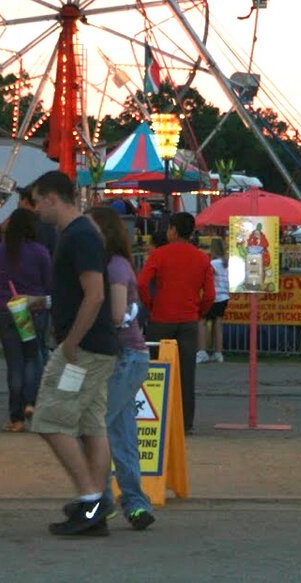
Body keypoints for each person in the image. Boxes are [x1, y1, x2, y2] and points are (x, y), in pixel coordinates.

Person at [27, 170, 119, 538]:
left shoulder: (78, 235)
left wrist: (70, 343)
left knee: (49, 418)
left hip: (83, 349)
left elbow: (94, 293)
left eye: (36, 201)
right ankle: (96, 501)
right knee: (91, 424)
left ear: (52, 198)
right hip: (97, 346)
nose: (34, 210)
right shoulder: (81, 234)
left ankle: (89, 496)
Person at [88, 206, 155, 531]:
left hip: (124, 356)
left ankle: (100, 499)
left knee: (96, 426)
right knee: (123, 434)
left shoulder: (113, 268)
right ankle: (136, 503)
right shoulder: (117, 266)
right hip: (129, 356)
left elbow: (116, 315)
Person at [137, 211, 214, 434]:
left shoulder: (159, 255)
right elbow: (209, 295)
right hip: (189, 321)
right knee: (186, 373)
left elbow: (142, 283)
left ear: (173, 230)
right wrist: (198, 312)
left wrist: (151, 304)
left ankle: (155, 416)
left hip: (161, 319)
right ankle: (185, 423)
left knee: (156, 370)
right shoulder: (202, 258)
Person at [0, 207, 52, 432]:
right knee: (32, 358)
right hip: (32, 309)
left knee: (14, 362)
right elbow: (48, 284)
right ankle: (30, 402)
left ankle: (16, 416)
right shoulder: (40, 252)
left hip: (5, 309)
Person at [197, 238, 230, 364]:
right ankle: (218, 353)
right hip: (224, 296)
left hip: (214, 296)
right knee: (218, 324)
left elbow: (205, 276)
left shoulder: (213, 264)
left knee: (202, 322)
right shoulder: (226, 263)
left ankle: (202, 351)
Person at [19, 185, 59, 252]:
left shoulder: (35, 226)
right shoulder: (46, 222)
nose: (19, 204)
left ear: (25, 202)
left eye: (20, 200)